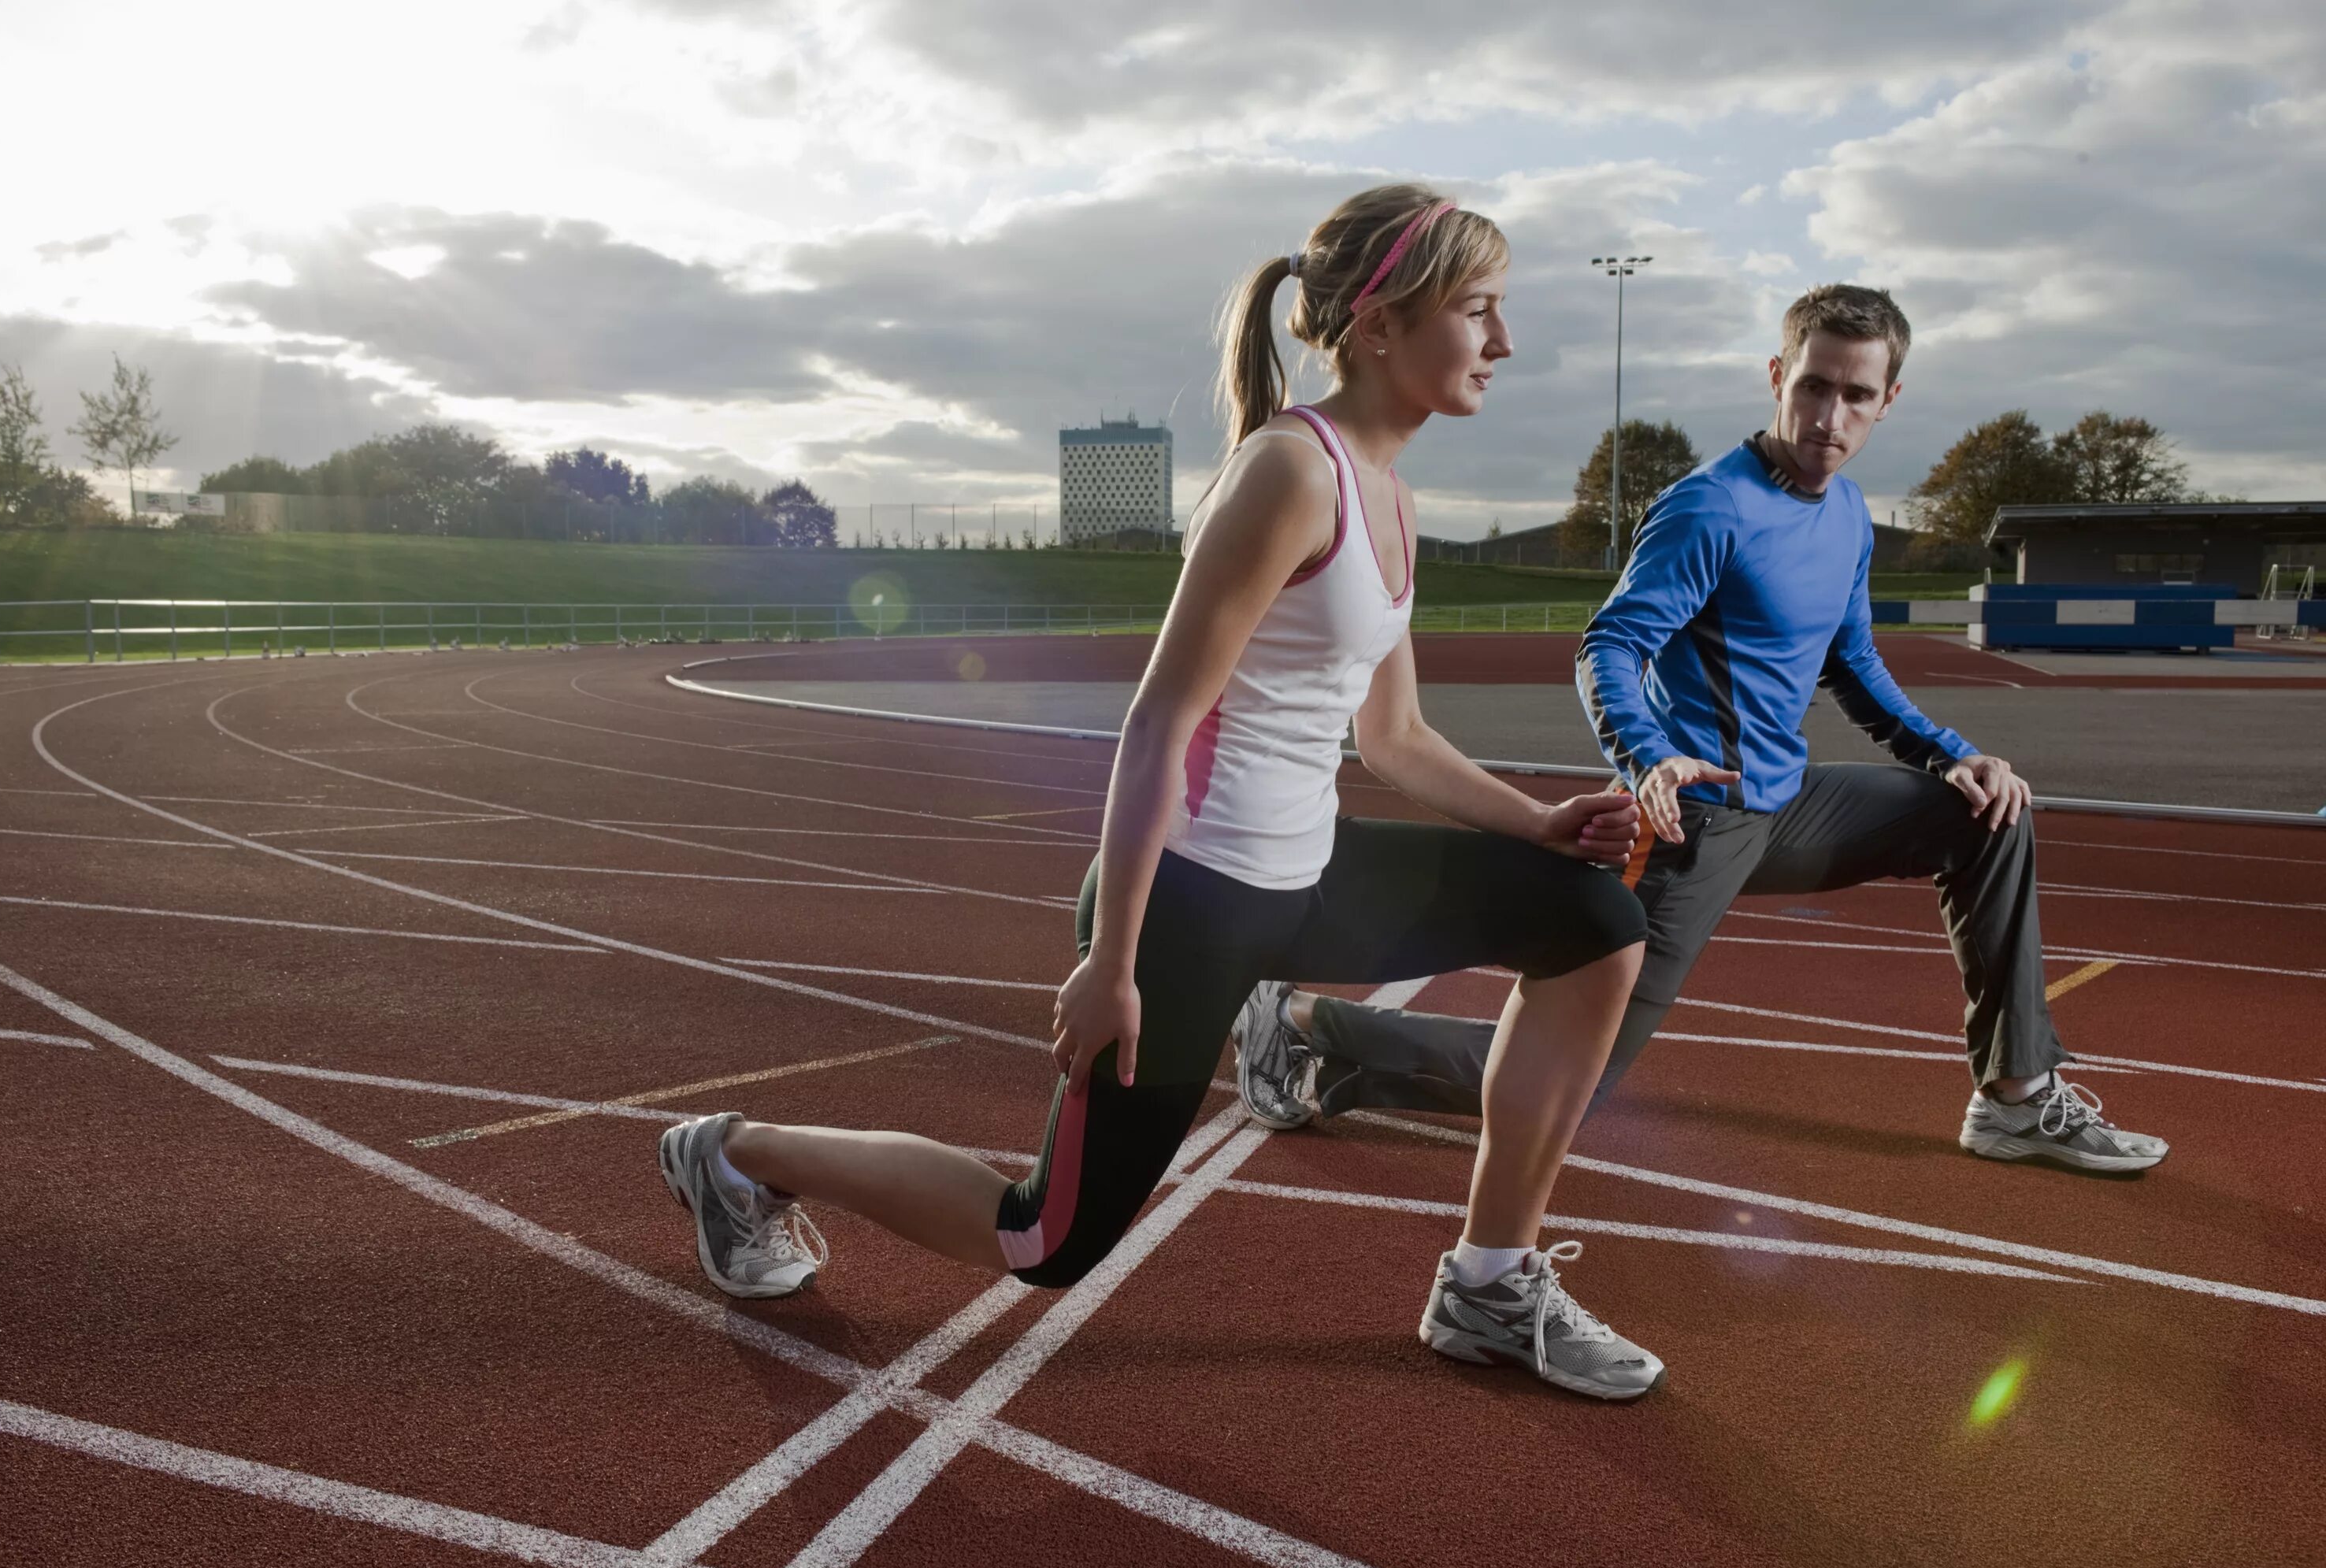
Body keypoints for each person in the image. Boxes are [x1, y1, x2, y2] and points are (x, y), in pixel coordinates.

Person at [658, 184, 1669, 1399]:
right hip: (1191, 903)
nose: (1503, 344)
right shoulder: (1291, 473)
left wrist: (1539, 821)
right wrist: (1112, 963)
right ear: (1378, 324)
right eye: (1478, 310)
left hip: (1309, 877)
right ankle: (736, 1155)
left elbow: (1393, 738)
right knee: (1045, 1239)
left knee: (1596, 921)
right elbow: (1160, 721)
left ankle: (1490, 1282)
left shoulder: (1390, 490)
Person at [1232, 283, 2168, 1175]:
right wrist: (1648, 759)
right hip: (1697, 821)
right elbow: (1609, 643)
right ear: (1777, 377)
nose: (1827, 418)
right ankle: (1307, 1021)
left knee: (1988, 818)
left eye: (1855, 396)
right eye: (1812, 387)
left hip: (1791, 807)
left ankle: (2016, 1094)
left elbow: (1857, 667)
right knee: (1564, 1081)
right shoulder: (1709, 505)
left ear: (1888, 400)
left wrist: (1957, 756)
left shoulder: (1845, 513)